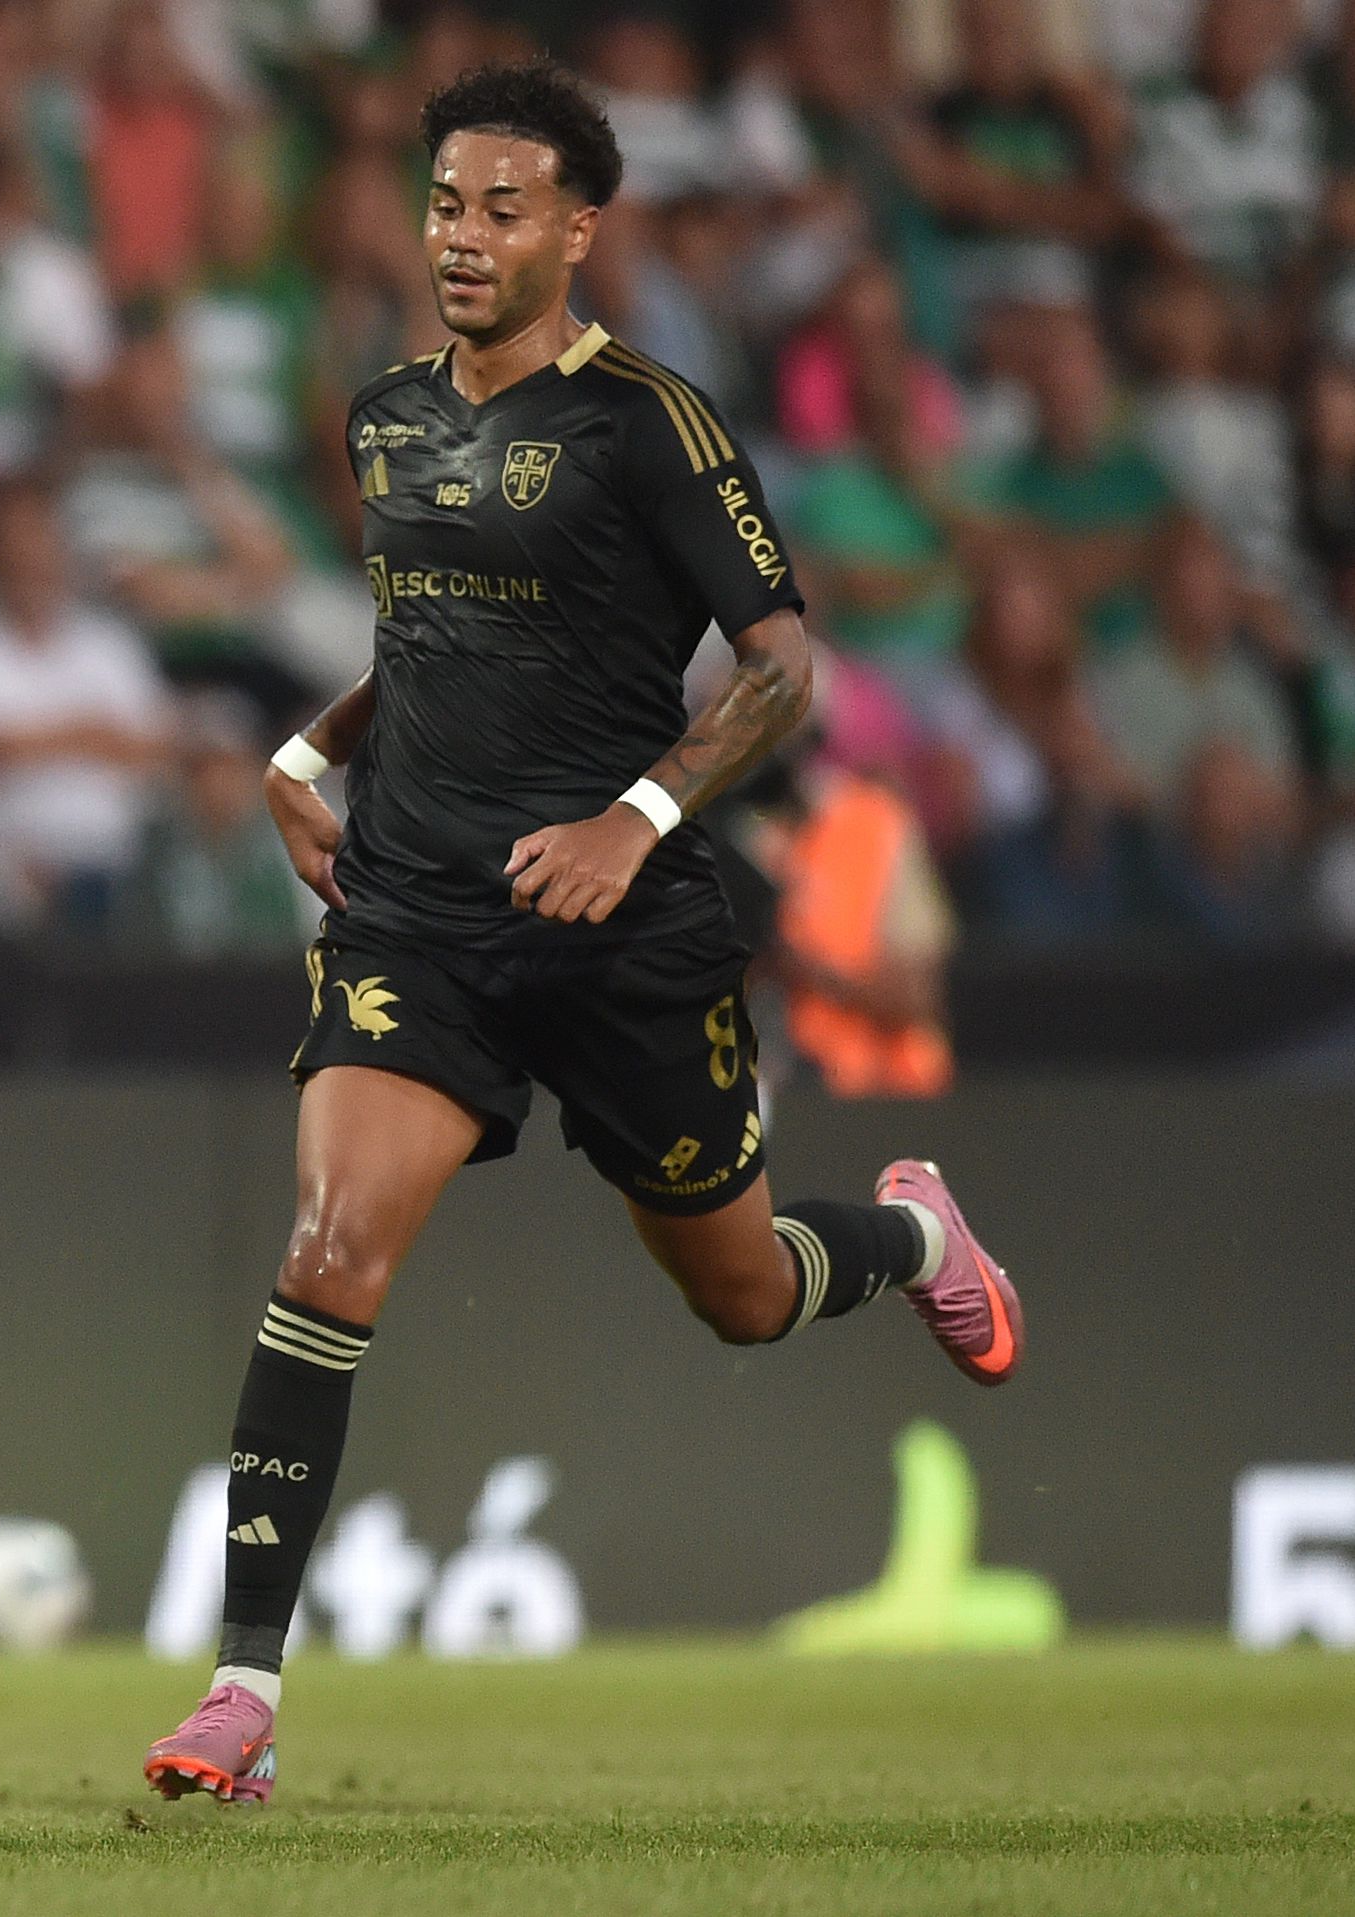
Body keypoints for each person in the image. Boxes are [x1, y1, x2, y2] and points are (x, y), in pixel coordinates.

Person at [141, 63, 1026, 1807]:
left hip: (622, 920)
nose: (462, 237)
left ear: (578, 230)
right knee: (327, 1248)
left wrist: (640, 821)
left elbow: (786, 666)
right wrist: (312, 750)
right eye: (446, 204)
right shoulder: (387, 412)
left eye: (503, 209)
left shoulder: (653, 426)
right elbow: (439, 633)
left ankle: (915, 1242)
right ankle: (242, 1695)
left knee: (745, 1291)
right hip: (418, 906)